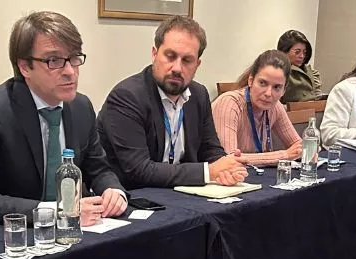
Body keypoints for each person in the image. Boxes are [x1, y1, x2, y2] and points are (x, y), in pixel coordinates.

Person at [0, 11, 126, 225]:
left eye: (75, 58)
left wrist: (113, 191)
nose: (70, 71)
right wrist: (60, 212)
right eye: (54, 61)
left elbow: (99, 169)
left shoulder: (81, 107)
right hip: (12, 233)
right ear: (25, 67)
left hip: (74, 233)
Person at [97, 15, 247, 189]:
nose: (177, 68)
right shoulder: (127, 97)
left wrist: (227, 166)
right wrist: (208, 171)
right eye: (170, 56)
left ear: (197, 64)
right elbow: (139, 170)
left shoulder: (199, 95)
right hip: (135, 194)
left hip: (182, 192)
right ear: (154, 54)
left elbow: (209, 149)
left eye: (187, 60)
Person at [211, 50, 302, 166]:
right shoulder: (229, 103)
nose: (268, 93)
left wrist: (307, 151)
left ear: (284, 90)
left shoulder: (275, 106)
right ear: (251, 81)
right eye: (263, 83)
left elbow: (298, 146)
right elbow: (229, 159)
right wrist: (285, 156)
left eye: (277, 87)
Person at [276, 30, 323, 103]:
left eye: (304, 52)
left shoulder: (312, 73)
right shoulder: (279, 72)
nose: (302, 56)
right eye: (297, 52)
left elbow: (318, 100)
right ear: (284, 51)